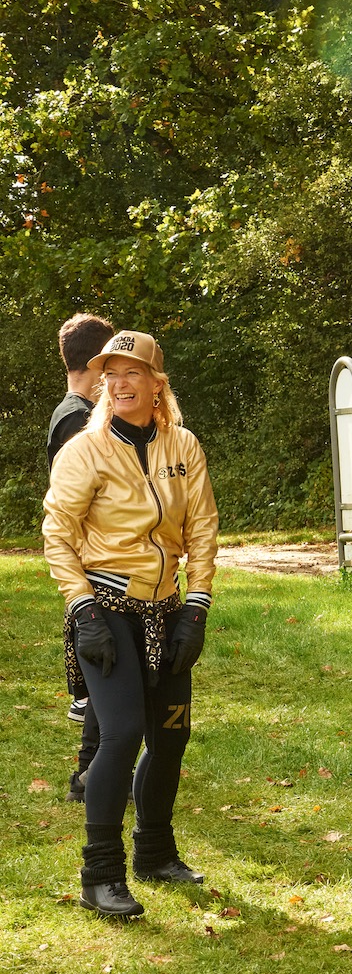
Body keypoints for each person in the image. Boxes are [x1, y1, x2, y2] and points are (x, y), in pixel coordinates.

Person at [43, 330, 218, 917]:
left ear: (155, 383)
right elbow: (58, 534)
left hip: (167, 609)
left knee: (171, 734)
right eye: (110, 374)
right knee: (120, 734)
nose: (118, 383)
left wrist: (197, 605)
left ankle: (155, 853)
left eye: (131, 372)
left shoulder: (183, 445)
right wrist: (81, 608)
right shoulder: (84, 450)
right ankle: (100, 875)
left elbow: (202, 529)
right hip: (105, 609)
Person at [49, 313, 116, 801]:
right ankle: (90, 774)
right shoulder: (77, 420)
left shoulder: (76, 412)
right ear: (96, 362)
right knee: (107, 672)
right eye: (110, 362)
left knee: (109, 670)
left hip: (97, 560)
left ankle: (92, 774)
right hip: (92, 564)